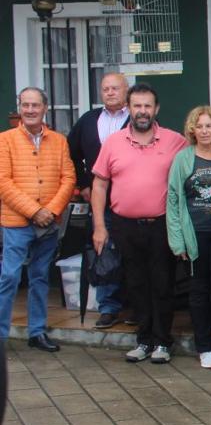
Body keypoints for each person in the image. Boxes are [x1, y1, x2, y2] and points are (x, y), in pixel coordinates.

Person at [92, 84, 186, 363]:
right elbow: (99, 184)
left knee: (162, 284)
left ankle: (163, 343)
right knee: (135, 284)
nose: (142, 111)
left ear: (156, 109)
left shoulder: (175, 141)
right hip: (125, 226)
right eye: (137, 106)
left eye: (147, 106)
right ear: (129, 109)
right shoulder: (113, 142)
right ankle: (143, 341)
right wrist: (99, 226)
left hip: (161, 226)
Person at [0, 87, 75, 353]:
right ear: (19, 108)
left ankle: (37, 332)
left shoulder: (59, 141)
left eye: (35, 105)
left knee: (40, 277)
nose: (30, 110)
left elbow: (68, 178)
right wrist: (34, 211)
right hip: (16, 223)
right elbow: (3, 182)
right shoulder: (5, 140)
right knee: (8, 277)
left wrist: (51, 211)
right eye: (25, 105)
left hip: (48, 224)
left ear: (45, 108)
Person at [165, 106, 211, 369]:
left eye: (209, 126)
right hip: (194, 233)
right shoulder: (183, 158)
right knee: (198, 290)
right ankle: (205, 346)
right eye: (200, 126)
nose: (205, 131)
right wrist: (177, 240)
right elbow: (173, 199)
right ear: (193, 130)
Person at [66, 71, 129, 327]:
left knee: (134, 252)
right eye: (106, 89)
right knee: (104, 250)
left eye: (115, 88)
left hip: (132, 198)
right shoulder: (88, 120)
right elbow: (69, 154)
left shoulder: (137, 119)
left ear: (126, 91)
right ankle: (108, 307)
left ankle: (136, 305)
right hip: (100, 199)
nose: (110, 92)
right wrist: (83, 185)